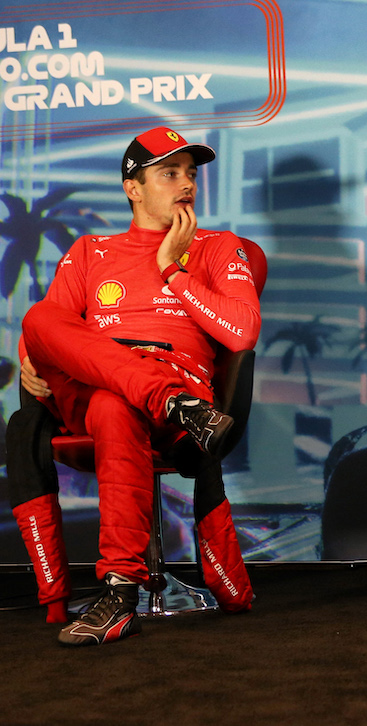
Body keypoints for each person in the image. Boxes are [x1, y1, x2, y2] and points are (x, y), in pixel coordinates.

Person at [13, 126, 262, 645]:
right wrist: (26, 359)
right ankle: (174, 404)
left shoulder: (218, 247)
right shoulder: (89, 252)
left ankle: (119, 592)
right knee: (40, 320)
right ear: (133, 187)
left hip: (162, 387)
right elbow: (43, 333)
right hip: (146, 396)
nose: (186, 183)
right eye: (169, 173)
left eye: (191, 174)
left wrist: (173, 269)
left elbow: (242, 331)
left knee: (111, 404)